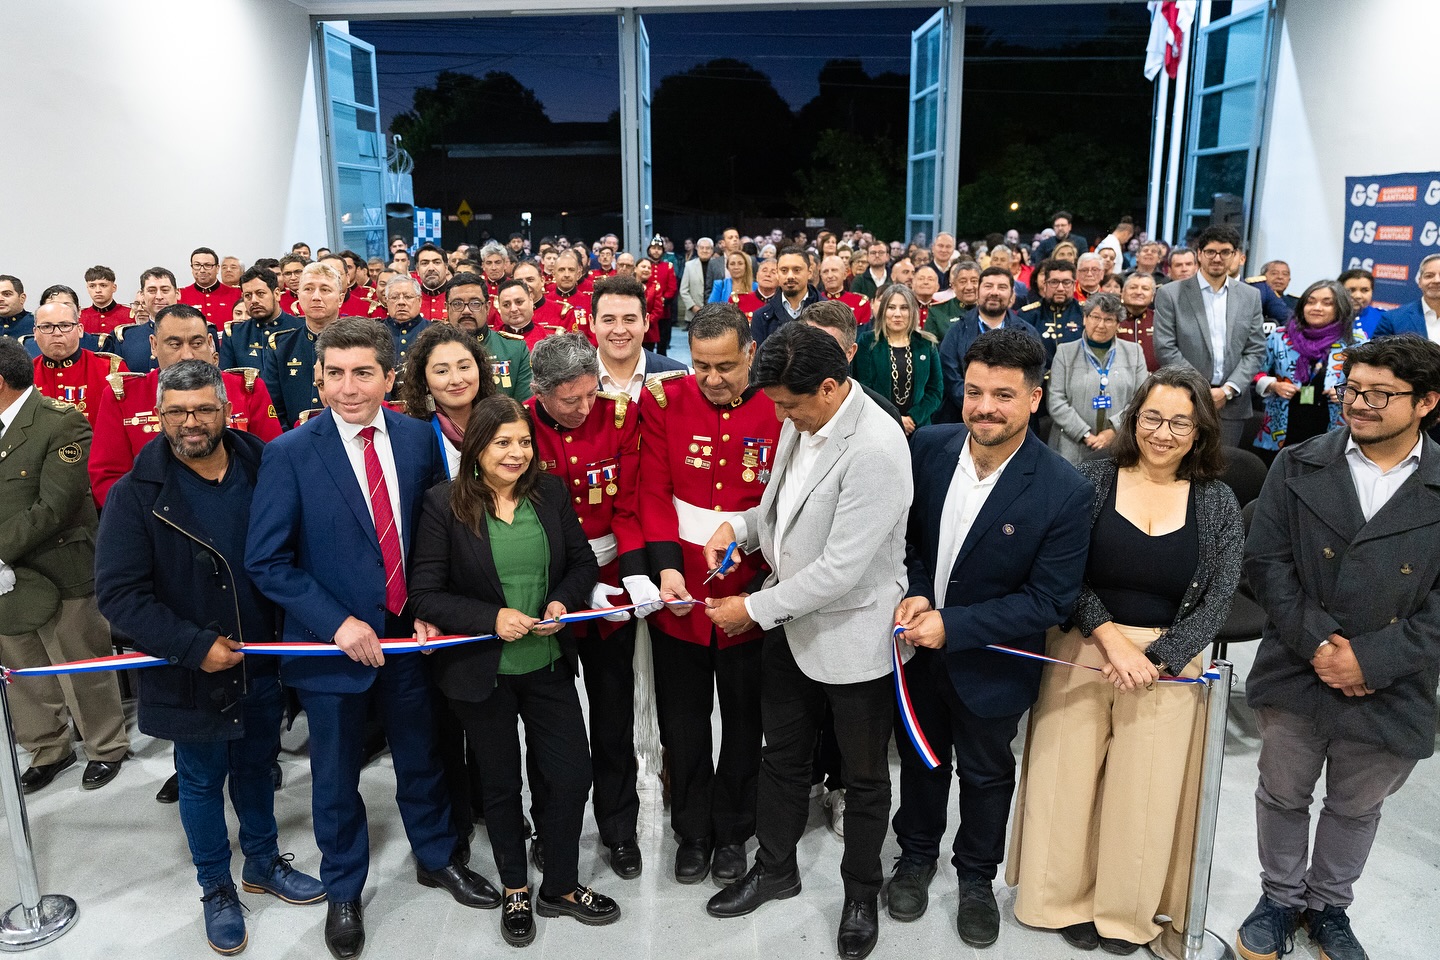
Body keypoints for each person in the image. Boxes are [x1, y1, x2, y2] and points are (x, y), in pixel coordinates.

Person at [246, 318, 502, 959]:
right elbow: (268, 561)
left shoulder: (418, 440)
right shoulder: (289, 453)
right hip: (335, 649)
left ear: (390, 378)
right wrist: (338, 623)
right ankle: (343, 892)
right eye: (335, 373)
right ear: (319, 375)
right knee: (334, 781)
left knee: (422, 758)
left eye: (363, 373)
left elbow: (428, 536)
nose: (348, 387)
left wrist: (425, 606)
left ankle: (437, 858)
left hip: (408, 643)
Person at [1009, 364, 1242, 954]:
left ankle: (1125, 911)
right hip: (1084, 648)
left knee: (1146, 792)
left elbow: (1219, 600)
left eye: (1180, 423)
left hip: (1169, 664)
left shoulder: (1217, 501)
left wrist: (1160, 657)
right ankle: (1059, 898)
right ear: (1134, 419)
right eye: (1153, 417)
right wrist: (1109, 638)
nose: (1163, 433)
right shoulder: (1091, 480)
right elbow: (1064, 572)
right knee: (1065, 778)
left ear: (1201, 432)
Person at [95, 359, 325, 954]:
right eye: (176, 411)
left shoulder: (266, 464)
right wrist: (194, 648)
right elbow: (119, 596)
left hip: (263, 661)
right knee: (200, 781)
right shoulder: (134, 494)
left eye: (202, 409)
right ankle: (217, 887)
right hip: (190, 669)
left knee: (257, 767)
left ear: (226, 410)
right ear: (159, 416)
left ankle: (265, 863)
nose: (190, 422)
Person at [699, 322, 912, 960]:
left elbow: (841, 571)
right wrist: (738, 529)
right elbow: (780, 507)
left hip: (852, 632)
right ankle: (777, 867)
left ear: (828, 386)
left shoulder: (876, 447)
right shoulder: (805, 420)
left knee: (865, 777)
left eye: (790, 405)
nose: (782, 416)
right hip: (793, 629)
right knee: (782, 760)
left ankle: (859, 893)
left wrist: (753, 609)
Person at [888, 329, 1092, 948]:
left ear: (1035, 398)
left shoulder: (1064, 488)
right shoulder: (928, 446)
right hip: (916, 647)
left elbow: (1051, 600)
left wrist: (956, 625)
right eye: (974, 391)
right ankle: (915, 857)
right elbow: (913, 540)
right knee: (922, 761)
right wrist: (920, 590)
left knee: (984, 773)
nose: (984, 407)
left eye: (1003, 395)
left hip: (994, 664)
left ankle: (976, 876)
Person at [1238, 335, 1440, 960]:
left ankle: (1329, 907)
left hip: (1396, 678)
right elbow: (1266, 563)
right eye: (1354, 390)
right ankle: (1278, 897)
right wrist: (1325, 646)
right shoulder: (1298, 462)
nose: (1362, 404)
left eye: (1382, 394)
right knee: (1282, 791)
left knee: (1356, 807)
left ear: (1427, 402)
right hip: (1300, 664)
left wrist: (1370, 660)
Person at [409, 394, 619, 947]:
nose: (517, 452)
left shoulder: (548, 493)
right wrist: (490, 617)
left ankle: (562, 886)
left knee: (571, 774)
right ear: (475, 448)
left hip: (547, 663)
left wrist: (560, 604)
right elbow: (425, 594)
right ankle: (515, 888)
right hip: (483, 674)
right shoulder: (443, 505)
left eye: (524, 441)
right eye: (502, 442)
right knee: (501, 786)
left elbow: (581, 562)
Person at [639, 303, 778, 886]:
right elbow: (652, 492)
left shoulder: (780, 404)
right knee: (685, 721)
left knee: (746, 720)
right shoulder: (664, 400)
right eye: (701, 365)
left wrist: (763, 584)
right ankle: (692, 830)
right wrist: (667, 568)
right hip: (683, 594)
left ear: (750, 352)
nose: (713, 378)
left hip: (753, 589)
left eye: (725, 365)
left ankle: (734, 829)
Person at [524, 333, 656, 879]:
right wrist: (573, 589)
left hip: (610, 588)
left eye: (590, 394)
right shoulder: (516, 425)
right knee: (549, 723)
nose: (584, 408)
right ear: (541, 393)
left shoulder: (619, 417)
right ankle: (551, 824)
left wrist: (632, 575)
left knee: (612, 714)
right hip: (546, 593)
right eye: (569, 399)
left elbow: (627, 505)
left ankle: (620, 828)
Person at [0, 336, 131, 795]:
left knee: (81, 663)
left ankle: (105, 746)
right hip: (8, 580)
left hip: (61, 566)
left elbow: (54, 506)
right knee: (21, 667)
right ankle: (48, 748)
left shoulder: (61, 422)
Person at [91, 303, 282, 506]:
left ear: (210, 343)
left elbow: (271, 463)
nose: (187, 355)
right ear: (154, 345)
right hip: (155, 519)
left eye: (197, 343)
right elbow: (107, 476)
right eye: (175, 344)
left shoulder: (246, 389)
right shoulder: (123, 396)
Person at [1153, 226, 1267, 446]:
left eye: (1225, 252)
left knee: (1222, 472)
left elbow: (1255, 349)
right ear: (1199, 254)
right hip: (1185, 398)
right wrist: (1201, 389)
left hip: (1231, 404)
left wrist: (1228, 390)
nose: (1217, 258)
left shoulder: (1250, 296)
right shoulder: (1171, 294)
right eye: (1211, 252)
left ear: (1235, 256)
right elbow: (1165, 348)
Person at [1254, 280, 1360, 453]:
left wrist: (1345, 391)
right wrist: (1272, 385)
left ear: (1340, 307)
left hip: (1332, 426)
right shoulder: (1280, 336)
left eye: (1327, 303)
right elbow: (1255, 371)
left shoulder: (1355, 341)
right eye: (1310, 301)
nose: (1316, 307)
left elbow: (1367, 385)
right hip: (1283, 425)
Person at [1046, 294, 1151, 464]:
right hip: (1071, 446)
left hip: (1118, 443)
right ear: (1085, 319)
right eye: (1095, 317)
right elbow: (1055, 400)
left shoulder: (1134, 352)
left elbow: (1140, 400)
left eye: (1109, 319)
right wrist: (1085, 434)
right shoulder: (1065, 352)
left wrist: (1114, 430)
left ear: (1118, 324)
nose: (1101, 325)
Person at [938, 267, 1043, 422]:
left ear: (1012, 294)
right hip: (964, 419)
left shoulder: (1028, 332)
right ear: (978, 292)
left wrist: (1003, 407)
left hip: (1012, 419)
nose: (994, 292)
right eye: (988, 286)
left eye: (1002, 287)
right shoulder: (956, 331)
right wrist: (979, 406)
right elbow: (951, 377)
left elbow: (1034, 376)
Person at [399, 324, 494, 478]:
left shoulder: (500, 423)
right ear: (424, 380)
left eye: (464, 367)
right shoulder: (413, 436)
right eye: (442, 371)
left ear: (479, 369)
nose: (456, 380)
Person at [262, 262, 347, 429]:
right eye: (308, 289)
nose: (316, 297)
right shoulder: (281, 347)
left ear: (340, 299)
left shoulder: (358, 346)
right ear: (299, 296)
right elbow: (274, 408)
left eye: (325, 290)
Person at [853, 284, 943, 436]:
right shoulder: (867, 342)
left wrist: (913, 418)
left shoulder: (927, 344)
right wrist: (895, 418)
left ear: (913, 311)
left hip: (918, 429)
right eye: (891, 307)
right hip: (878, 428)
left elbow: (935, 390)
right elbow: (863, 388)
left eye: (904, 308)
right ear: (883, 311)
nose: (897, 314)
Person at [30, 301, 125, 428]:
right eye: (46, 327)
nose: (56, 333)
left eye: (65, 325)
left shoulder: (111, 369)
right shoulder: (24, 373)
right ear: (35, 333)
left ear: (80, 330)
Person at [591, 276, 688, 401]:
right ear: (592, 324)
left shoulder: (681, 378)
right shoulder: (569, 380)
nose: (619, 330)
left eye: (629, 320)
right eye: (609, 320)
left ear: (646, 322)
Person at [444, 272, 532, 401]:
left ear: (487, 307)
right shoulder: (432, 351)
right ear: (447, 308)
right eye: (457, 304)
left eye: (475, 303)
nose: (466, 311)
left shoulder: (515, 349)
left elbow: (524, 405)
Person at [222, 265, 298, 369]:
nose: (253, 300)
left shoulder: (300, 329)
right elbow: (227, 380)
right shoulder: (235, 335)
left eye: (260, 293)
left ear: (276, 294)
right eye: (248, 295)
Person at [751, 247, 820, 349]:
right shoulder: (761, 317)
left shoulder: (827, 313)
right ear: (778, 274)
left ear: (809, 272)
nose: (790, 276)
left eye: (796, 270)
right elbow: (758, 362)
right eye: (784, 270)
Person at [1020, 258, 1084, 366]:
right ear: (1045, 285)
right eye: (1054, 282)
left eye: (1066, 282)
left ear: (1074, 286)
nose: (1060, 288)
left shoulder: (1085, 313)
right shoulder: (1028, 315)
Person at [1374, 251, 1440, 342]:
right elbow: (1376, 354)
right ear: (1420, 282)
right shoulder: (1392, 319)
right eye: (1429, 276)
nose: (1436, 280)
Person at [180, 247, 242, 327]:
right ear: (192, 268)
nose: (202, 270)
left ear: (217, 268)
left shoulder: (236, 294)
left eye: (208, 265)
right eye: (197, 265)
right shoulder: (181, 295)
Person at [1116, 271, 1159, 370]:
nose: (1139, 292)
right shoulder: (1112, 319)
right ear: (1122, 293)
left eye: (1145, 288)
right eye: (1133, 287)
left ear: (1152, 296)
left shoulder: (1159, 320)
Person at [80, 265, 133, 336]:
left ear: (114, 288)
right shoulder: (79, 317)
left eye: (103, 285)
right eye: (92, 286)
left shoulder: (131, 315)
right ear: (87, 288)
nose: (98, 290)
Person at [681, 237, 718, 324]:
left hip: (716, 312)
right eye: (701, 248)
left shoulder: (718, 265)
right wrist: (693, 306)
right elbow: (683, 290)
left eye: (708, 248)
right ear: (697, 248)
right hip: (694, 313)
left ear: (712, 250)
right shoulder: (689, 266)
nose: (704, 251)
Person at [1338, 268, 1384, 338]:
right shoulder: (1327, 317)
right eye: (1351, 290)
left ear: (1372, 291)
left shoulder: (1384, 318)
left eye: (1365, 290)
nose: (1358, 296)